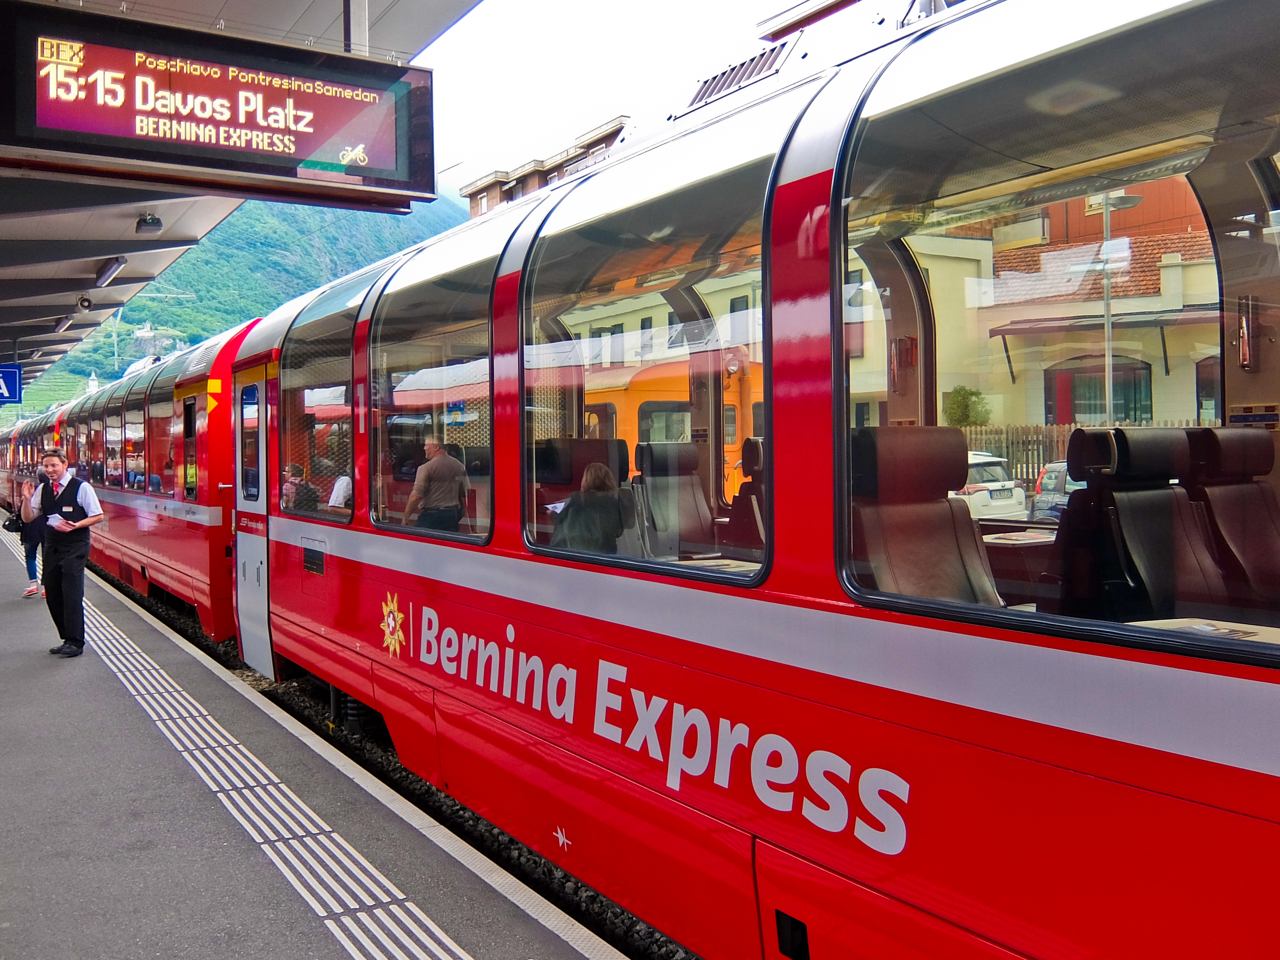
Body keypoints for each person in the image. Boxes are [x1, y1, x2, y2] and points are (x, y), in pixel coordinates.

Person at [20, 447, 105, 658]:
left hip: (76, 545)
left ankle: (76, 642)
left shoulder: (82, 488)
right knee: (53, 592)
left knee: (72, 592)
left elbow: (98, 516)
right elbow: (28, 518)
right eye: (46, 466)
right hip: (52, 545)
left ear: (65, 465)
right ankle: (67, 637)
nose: (50, 470)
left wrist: (76, 525)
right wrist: (25, 499)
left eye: (54, 465)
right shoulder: (43, 490)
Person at [551, 462, 626, 554]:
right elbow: (618, 532)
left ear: (586, 480)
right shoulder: (615, 504)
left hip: (572, 554)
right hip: (605, 557)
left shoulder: (575, 499)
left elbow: (555, 513)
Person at [402, 434, 468, 532]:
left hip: (431, 516)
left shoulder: (426, 468)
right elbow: (463, 494)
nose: (424, 448)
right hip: (452, 515)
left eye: (426, 445)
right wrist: (458, 513)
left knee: (418, 542)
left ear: (436, 447)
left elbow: (416, 496)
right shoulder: (459, 466)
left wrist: (405, 518)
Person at [18, 492, 45, 599]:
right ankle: (45, 588)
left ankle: (33, 585)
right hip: (46, 530)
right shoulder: (51, 492)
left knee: (30, 557)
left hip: (29, 529)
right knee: (47, 558)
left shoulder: (28, 493)